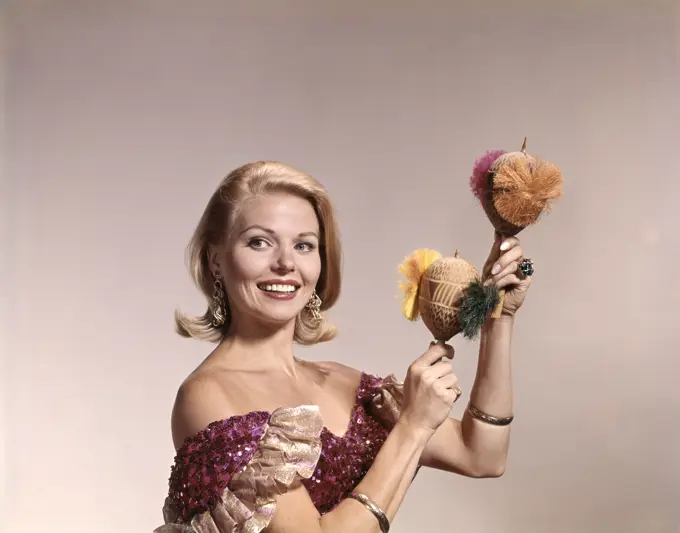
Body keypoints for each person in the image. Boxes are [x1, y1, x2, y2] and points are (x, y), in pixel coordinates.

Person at [154, 161, 532, 533]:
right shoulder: (207, 396)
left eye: (304, 245)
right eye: (259, 242)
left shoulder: (344, 383)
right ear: (215, 259)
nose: (286, 263)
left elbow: (482, 454)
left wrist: (499, 318)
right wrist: (413, 426)